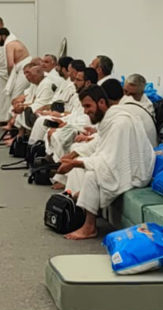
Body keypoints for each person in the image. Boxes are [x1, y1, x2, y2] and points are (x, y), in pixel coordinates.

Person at [58, 85, 156, 240]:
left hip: (136, 173)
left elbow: (109, 161)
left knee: (91, 175)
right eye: (84, 107)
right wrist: (74, 155)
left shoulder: (120, 123)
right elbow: (100, 142)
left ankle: (89, 227)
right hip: (122, 165)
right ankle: (80, 202)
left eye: (88, 106)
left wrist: (75, 163)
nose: (85, 111)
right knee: (85, 163)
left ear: (102, 103)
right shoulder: (110, 118)